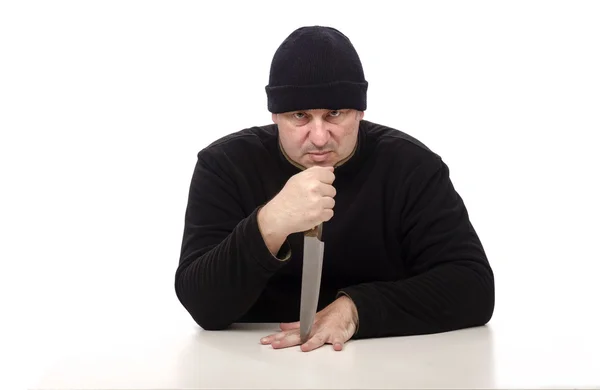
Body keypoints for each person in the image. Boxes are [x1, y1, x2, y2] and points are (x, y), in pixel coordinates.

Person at [174, 25, 495, 352]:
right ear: (275, 114)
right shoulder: (225, 165)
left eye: (335, 114)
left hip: (383, 361)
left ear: (360, 111)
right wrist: (270, 222)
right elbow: (202, 306)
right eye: (299, 115)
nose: (319, 137)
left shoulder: (412, 167)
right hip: (253, 357)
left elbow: (474, 288)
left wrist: (356, 309)